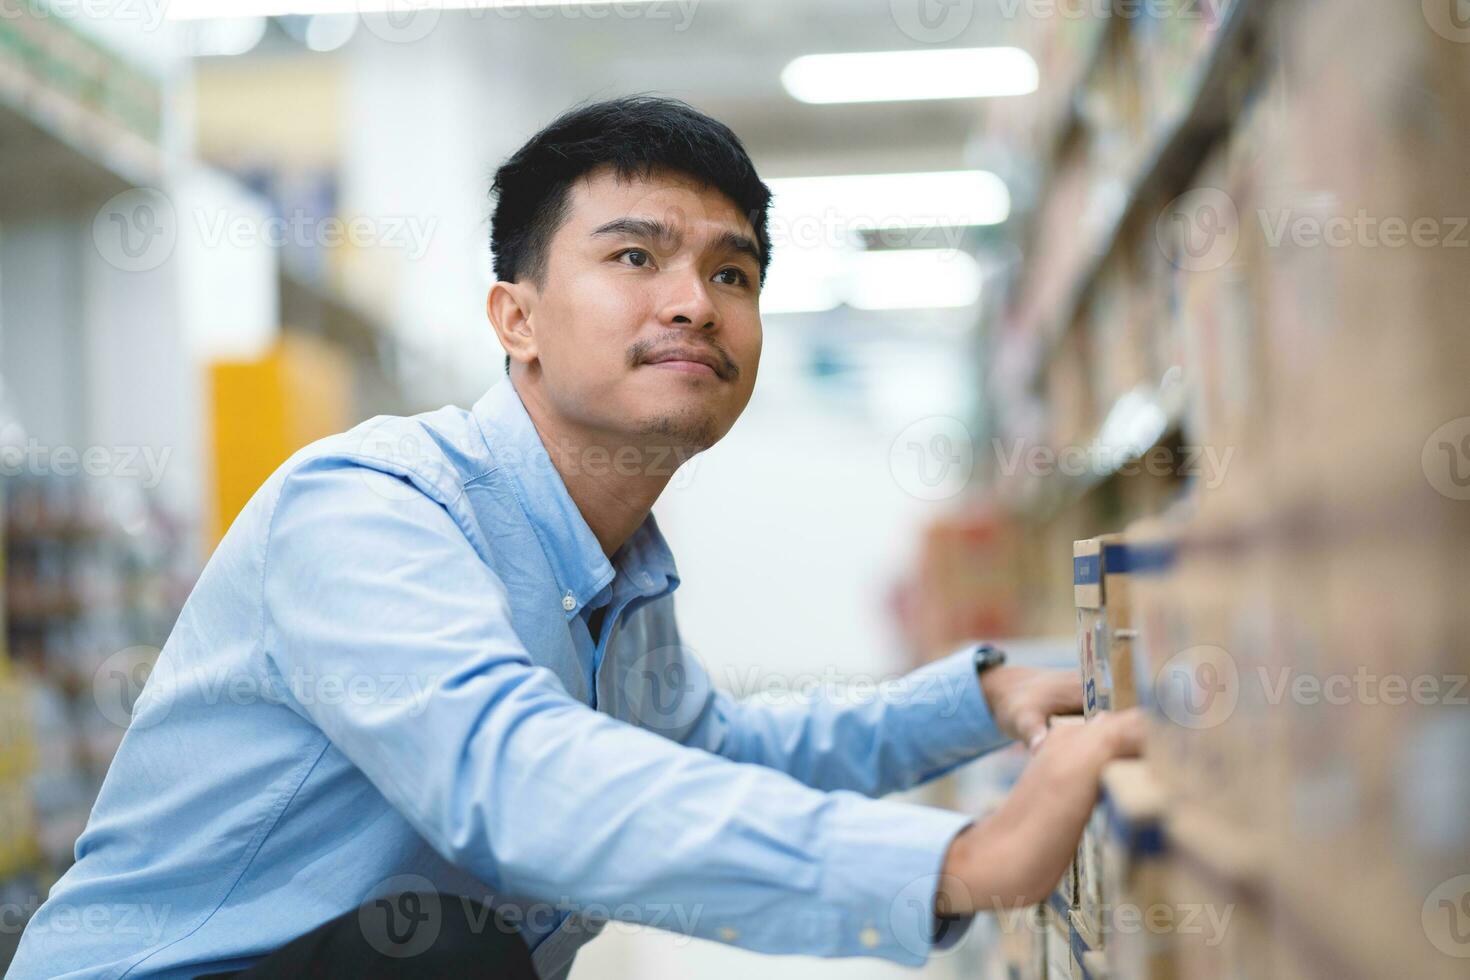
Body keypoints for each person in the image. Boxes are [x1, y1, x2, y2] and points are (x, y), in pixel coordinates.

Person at [8, 96, 1143, 980]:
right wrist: (948, 863)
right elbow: (514, 779)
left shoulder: (619, 572)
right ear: (517, 316)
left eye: (731, 270)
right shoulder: (368, 509)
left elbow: (714, 753)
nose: (695, 300)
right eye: (635, 256)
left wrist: (979, 698)